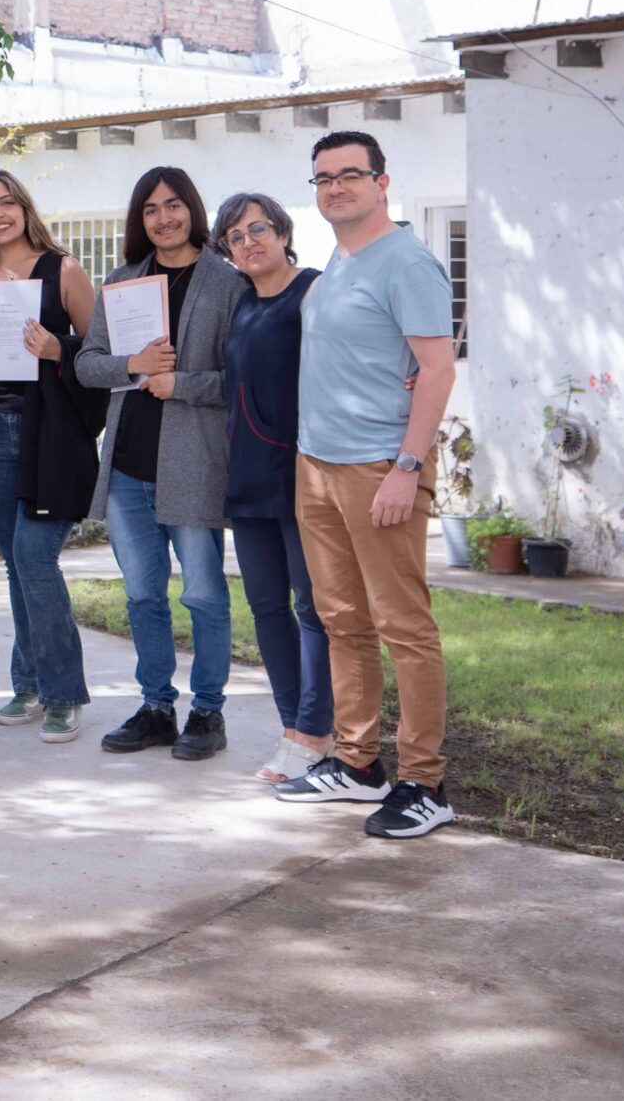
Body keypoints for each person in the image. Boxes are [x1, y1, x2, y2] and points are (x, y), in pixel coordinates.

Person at [273, 130, 460, 840]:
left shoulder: (406, 262)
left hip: (381, 467)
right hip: (316, 464)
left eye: (350, 174)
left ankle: (425, 780)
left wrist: (407, 469)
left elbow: (437, 371)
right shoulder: (341, 258)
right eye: (323, 178)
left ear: (383, 181)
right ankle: (357, 764)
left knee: (403, 625)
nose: (335, 187)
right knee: (341, 617)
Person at [75, 166, 240, 761]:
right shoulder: (123, 283)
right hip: (126, 469)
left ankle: (208, 711)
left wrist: (182, 384)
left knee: (201, 594)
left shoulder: (226, 283)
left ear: (192, 210)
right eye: (150, 209)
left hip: (193, 464)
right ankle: (155, 708)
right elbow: (87, 365)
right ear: (139, 220)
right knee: (143, 595)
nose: (163, 217)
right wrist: (134, 363)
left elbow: (239, 379)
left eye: (173, 205)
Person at [0, 170, 100, 745]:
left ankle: (63, 693)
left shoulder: (65, 270)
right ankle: (29, 683)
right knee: (16, 563)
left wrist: (58, 348)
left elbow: (101, 357)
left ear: (23, 208)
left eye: (6, 201)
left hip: (50, 434)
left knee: (35, 560)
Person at [214, 191, 334, 785]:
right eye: (235, 237)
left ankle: (317, 731)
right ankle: (294, 730)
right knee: (266, 608)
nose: (249, 242)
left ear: (283, 231)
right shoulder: (240, 304)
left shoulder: (313, 290)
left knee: (313, 609)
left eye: (257, 229)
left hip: (301, 478)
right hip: (248, 478)